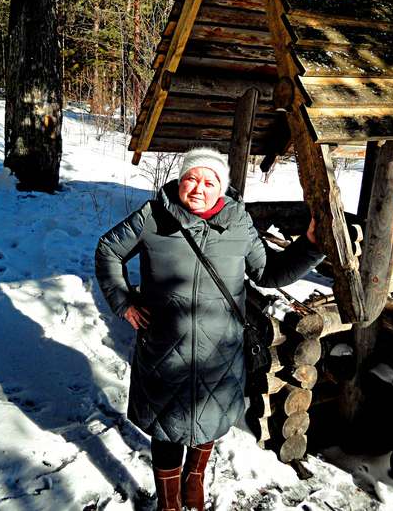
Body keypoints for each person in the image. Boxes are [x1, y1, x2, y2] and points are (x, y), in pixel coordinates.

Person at [95, 147, 324, 511]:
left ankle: (194, 481)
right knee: (166, 428)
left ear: (222, 187)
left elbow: (268, 273)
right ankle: (169, 501)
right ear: (180, 180)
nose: (198, 188)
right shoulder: (153, 217)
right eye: (191, 178)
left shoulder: (238, 222)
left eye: (209, 181)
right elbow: (109, 249)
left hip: (221, 349)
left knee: (210, 420)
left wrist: (310, 246)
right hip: (165, 348)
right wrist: (124, 302)